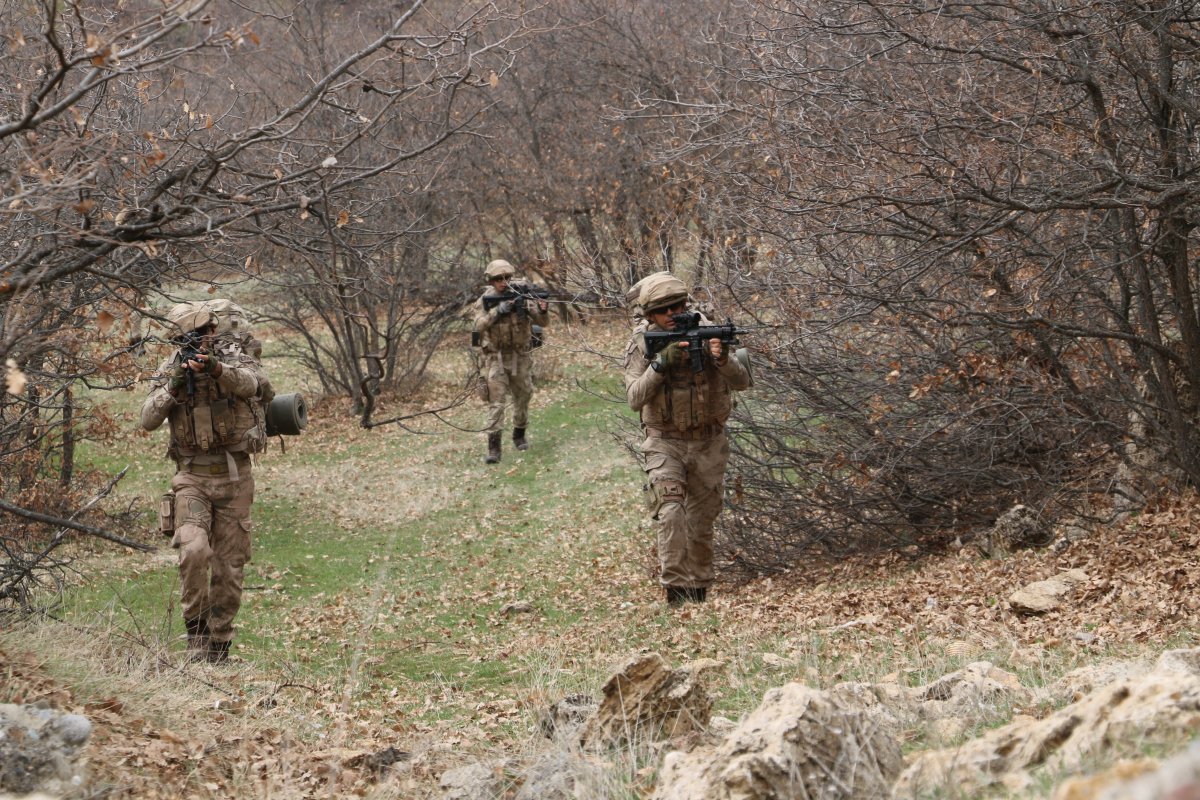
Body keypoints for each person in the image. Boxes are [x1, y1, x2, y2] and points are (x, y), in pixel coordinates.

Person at [140, 301, 274, 663]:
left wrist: (216, 369)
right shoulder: (171, 367)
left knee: (229, 568)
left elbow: (257, 385)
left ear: (213, 332)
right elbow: (147, 419)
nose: (197, 342)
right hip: (191, 477)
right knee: (194, 550)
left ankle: (219, 647)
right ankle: (196, 639)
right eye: (187, 338)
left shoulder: (234, 356)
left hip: (234, 478)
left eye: (201, 334)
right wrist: (173, 386)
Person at [623, 272, 751, 606]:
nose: (673, 314)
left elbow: (741, 381)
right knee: (670, 513)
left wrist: (721, 358)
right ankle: (675, 592)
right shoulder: (643, 343)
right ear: (650, 314)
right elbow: (635, 397)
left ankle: (699, 592)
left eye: (678, 307)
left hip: (709, 442)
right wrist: (660, 365)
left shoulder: (709, 331)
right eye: (665, 310)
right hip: (665, 441)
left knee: (701, 520)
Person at [473, 259, 549, 464]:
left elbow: (543, 322)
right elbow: (477, 326)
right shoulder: (485, 300)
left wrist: (542, 309)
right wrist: (498, 311)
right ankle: (494, 448)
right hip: (496, 357)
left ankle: (519, 433)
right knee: (496, 402)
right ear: (491, 280)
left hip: (520, 356)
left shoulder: (522, 295)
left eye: (506, 278)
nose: (503, 282)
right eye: (498, 279)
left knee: (524, 395)